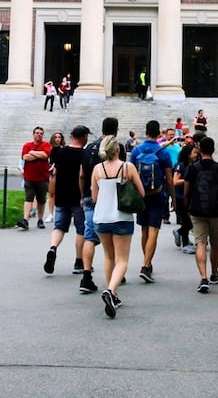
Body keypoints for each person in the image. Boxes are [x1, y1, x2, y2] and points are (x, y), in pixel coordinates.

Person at [92, 134, 144, 318]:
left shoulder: (97, 169)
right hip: (122, 216)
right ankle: (111, 291)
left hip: (101, 217)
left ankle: (113, 294)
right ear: (119, 149)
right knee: (122, 260)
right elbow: (141, 192)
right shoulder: (127, 167)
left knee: (108, 257)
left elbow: (94, 197)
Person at [79, 116, 125, 295]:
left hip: (91, 196)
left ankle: (86, 275)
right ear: (116, 130)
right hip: (111, 199)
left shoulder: (89, 147)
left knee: (90, 236)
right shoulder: (116, 148)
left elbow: (82, 175)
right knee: (114, 236)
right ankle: (116, 273)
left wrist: (83, 195)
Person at [184, 136, 218, 293]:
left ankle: (203, 277)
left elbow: (186, 190)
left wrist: (187, 206)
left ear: (199, 149)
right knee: (216, 243)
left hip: (197, 210)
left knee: (200, 243)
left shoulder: (192, 168)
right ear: (213, 149)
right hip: (216, 211)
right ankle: (213, 273)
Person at [130, 119, 174, 284]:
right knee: (154, 230)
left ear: (146, 131)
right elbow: (169, 179)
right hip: (157, 194)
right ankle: (146, 265)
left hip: (141, 195)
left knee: (144, 230)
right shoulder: (162, 153)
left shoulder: (136, 150)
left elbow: (131, 173)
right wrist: (173, 199)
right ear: (158, 134)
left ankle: (147, 262)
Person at [43, 125, 87, 276]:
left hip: (61, 195)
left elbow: (54, 172)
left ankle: (53, 247)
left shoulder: (60, 152)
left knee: (59, 227)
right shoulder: (84, 154)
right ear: (83, 138)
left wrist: (53, 192)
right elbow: (82, 175)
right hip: (77, 196)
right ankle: (79, 261)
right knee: (81, 229)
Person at [17, 126, 51, 230]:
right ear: (33, 134)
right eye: (37, 133)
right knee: (28, 198)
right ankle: (25, 219)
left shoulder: (46, 145)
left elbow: (45, 155)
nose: (39, 135)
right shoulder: (27, 145)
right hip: (29, 177)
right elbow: (25, 157)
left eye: (41, 133)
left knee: (41, 200)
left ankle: (40, 219)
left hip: (42, 177)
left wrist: (32, 153)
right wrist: (38, 154)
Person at [172, 143, 197, 254]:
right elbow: (175, 181)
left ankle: (181, 234)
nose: (196, 154)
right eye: (194, 153)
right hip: (180, 197)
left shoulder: (194, 165)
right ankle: (184, 242)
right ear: (188, 154)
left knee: (190, 220)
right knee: (187, 221)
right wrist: (188, 179)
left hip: (191, 197)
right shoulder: (180, 166)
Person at [45, 131, 66, 223]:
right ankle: (51, 214)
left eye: (59, 137)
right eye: (56, 137)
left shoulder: (64, 149)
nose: (57, 139)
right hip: (53, 174)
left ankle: (62, 213)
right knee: (52, 194)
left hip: (62, 173)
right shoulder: (51, 149)